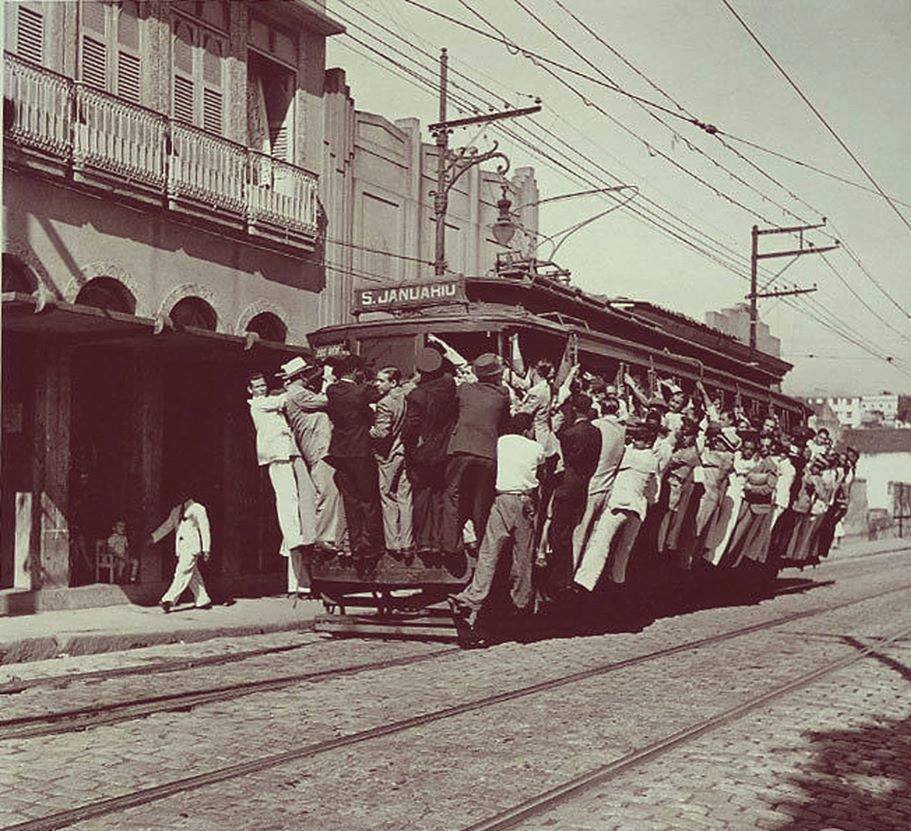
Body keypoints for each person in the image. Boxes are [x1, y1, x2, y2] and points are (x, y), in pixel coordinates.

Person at [449, 412, 545, 630]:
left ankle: (472, 597)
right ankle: (520, 603)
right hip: (524, 502)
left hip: (501, 500)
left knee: (489, 553)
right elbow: (544, 465)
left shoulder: (499, 443)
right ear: (527, 429)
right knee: (522, 556)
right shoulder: (535, 447)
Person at [573, 418, 670, 593]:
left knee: (601, 541)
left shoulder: (629, 454)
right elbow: (654, 492)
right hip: (638, 508)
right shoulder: (652, 461)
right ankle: (617, 580)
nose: (634, 440)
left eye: (638, 438)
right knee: (625, 547)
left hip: (618, 503)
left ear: (648, 441)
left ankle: (585, 580)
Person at [247, 371, 315, 592]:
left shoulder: (268, 403)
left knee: (292, 501)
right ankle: (294, 538)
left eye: (263, 385)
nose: (262, 388)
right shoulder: (258, 404)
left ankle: (298, 581)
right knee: (287, 499)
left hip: (285, 454)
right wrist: (295, 384)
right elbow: (284, 399)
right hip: (276, 455)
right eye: (257, 386)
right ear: (250, 390)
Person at [441, 353, 511, 556]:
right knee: (482, 501)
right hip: (487, 452)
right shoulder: (502, 394)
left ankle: (451, 546)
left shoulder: (464, 389)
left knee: (452, 495)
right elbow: (504, 423)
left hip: (461, 447)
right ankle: (481, 546)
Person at [282, 358, 347, 556]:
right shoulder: (298, 393)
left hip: (321, 448)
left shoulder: (300, 392)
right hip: (318, 450)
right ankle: (324, 537)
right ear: (301, 375)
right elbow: (328, 399)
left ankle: (329, 536)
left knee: (331, 491)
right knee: (327, 491)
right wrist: (327, 380)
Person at [325, 355, 383, 558]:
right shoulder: (362, 391)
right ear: (355, 370)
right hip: (360, 451)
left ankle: (356, 544)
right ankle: (370, 545)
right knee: (368, 499)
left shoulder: (332, 390)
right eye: (360, 371)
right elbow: (379, 392)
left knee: (350, 500)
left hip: (340, 452)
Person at [403, 348, 458, 554]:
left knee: (422, 495)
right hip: (445, 449)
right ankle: (438, 540)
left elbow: (411, 426)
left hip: (423, 451)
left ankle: (424, 541)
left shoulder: (417, 395)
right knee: (440, 494)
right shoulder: (449, 385)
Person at [545, 393, 600, 596]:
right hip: (582, 487)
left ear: (575, 409)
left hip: (565, 487)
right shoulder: (596, 432)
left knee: (558, 533)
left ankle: (558, 579)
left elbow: (562, 459)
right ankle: (565, 577)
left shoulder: (569, 434)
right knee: (568, 533)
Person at [572, 396, 626, 569]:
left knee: (580, 529)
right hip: (608, 485)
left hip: (592, 483)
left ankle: (572, 567)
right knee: (594, 533)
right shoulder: (622, 430)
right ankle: (585, 571)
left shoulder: (596, 426)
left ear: (601, 410)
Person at [370, 366, 414, 555]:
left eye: (381, 380)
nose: (376, 384)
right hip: (405, 452)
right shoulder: (407, 396)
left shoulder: (385, 403)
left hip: (389, 455)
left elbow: (382, 433)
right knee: (405, 497)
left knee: (388, 496)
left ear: (393, 382)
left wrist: (367, 428)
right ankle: (407, 542)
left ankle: (393, 543)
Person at [150, 492, 212, 613]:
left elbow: (205, 528)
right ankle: (203, 599)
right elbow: (167, 526)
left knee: (181, 572)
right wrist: (153, 537)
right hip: (181, 547)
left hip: (192, 546)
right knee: (192, 574)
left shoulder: (198, 508)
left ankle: (168, 599)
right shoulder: (176, 510)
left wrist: (206, 549)